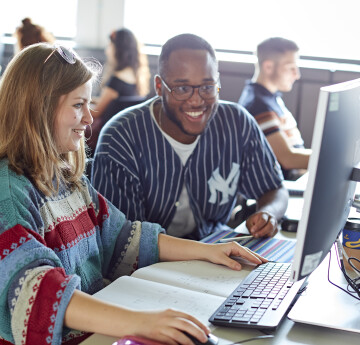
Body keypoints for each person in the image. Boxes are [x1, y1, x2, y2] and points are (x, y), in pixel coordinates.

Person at [0, 43, 267, 345]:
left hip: (95, 331)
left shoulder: (68, 179)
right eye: (78, 105)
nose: (89, 118)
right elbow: (36, 294)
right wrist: (142, 323)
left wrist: (208, 250)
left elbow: (121, 237)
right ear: (39, 109)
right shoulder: (9, 195)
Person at [92, 33, 289, 241]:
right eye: (182, 89)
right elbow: (121, 241)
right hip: (146, 266)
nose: (196, 101)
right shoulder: (122, 137)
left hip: (215, 251)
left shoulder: (237, 122)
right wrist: (204, 254)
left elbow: (274, 189)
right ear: (160, 87)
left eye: (207, 87)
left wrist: (269, 214)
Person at [238, 37, 311, 180]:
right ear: (268, 67)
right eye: (291, 68)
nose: (297, 75)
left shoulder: (270, 98)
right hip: (281, 185)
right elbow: (288, 158)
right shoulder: (259, 106)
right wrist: (333, 159)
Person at [86, 28, 150, 154]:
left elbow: (95, 113)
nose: (107, 50)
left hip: (102, 133)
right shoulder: (135, 77)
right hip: (124, 134)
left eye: (110, 45)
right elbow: (110, 103)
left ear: (118, 49)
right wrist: (87, 100)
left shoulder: (116, 81)